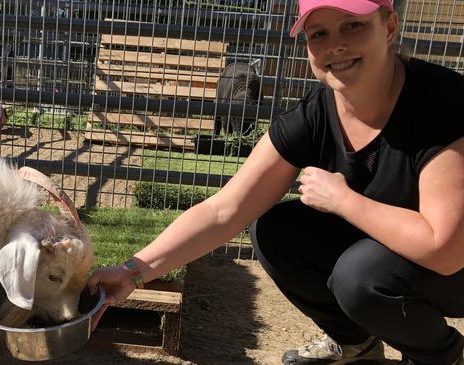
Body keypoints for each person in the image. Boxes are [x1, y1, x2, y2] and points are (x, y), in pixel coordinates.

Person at [87, 0, 464, 363]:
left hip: (454, 267)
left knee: (360, 275)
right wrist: (133, 272)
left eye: (353, 25)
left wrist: (343, 200)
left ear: (390, 27)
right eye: (318, 34)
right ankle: (355, 343)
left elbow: (444, 251)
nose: (335, 45)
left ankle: (444, 356)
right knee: (276, 232)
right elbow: (225, 209)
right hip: (397, 254)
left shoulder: (442, 104)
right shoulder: (315, 112)